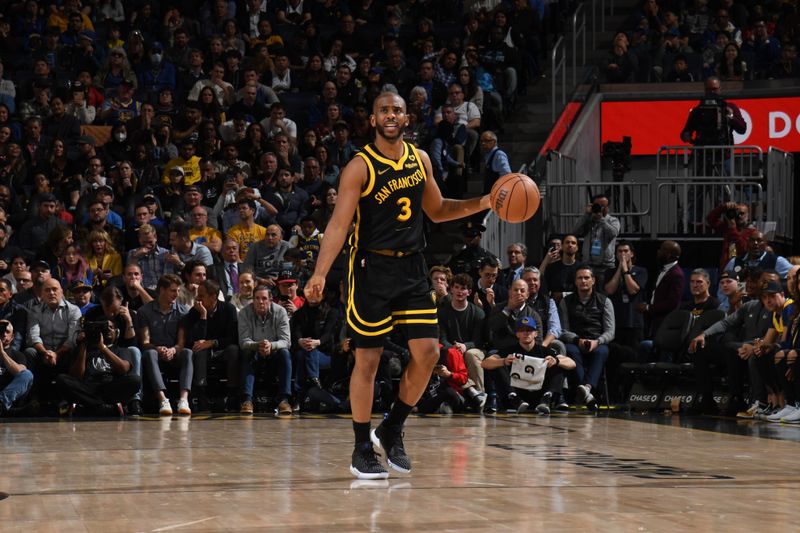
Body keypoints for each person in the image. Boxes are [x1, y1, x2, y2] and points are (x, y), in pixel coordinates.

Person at [304, 92, 494, 480]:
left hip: (412, 269)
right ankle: (360, 448)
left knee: (427, 355)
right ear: (373, 119)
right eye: (384, 111)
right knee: (368, 360)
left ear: (407, 118)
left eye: (397, 111)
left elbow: (439, 210)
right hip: (371, 269)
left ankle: (391, 428)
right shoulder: (360, 166)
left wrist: (486, 200)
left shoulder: (420, 159)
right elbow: (339, 224)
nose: (391, 116)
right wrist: (320, 272)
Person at [483, 316, 577, 415]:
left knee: (559, 364)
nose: (526, 333)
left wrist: (556, 361)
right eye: (522, 330)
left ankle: (547, 398)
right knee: (497, 364)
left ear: (535, 334)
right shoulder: (509, 350)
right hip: (516, 396)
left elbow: (572, 363)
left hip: (538, 395)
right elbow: (485, 363)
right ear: (517, 334)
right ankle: (513, 397)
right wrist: (503, 361)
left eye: (529, 330)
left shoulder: (544, 351)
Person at [55, 318, 140, 416]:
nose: (108, 330)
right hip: (87, 387)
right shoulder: (84, 349)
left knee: (135, 380)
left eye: (111, 327)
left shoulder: (121, 350)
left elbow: (123, 369)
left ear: (117, 333)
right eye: (104, 328)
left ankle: (90, 406)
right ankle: (103, 408)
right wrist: (83, 345)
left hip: (109, 388)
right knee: (62, 379)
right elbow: (77, 376)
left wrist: (102, 347)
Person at [559, 266, 616, 409]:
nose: (583, 281)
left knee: (602, 351)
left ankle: (586, 388)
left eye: (586, 278)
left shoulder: (605, 301)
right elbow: (562, 330)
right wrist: (578, 340)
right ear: (575, 281)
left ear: (593, 280)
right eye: (580, 278)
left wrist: (597, 341)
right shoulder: (565, 302)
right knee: (571, 351)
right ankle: (589, 394)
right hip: (575, 341)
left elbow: (610, 331)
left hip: (597, 341)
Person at [137, 274, 193, 416]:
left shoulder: (183, 311)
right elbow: (145, 342)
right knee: (150, 353)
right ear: (162, 290)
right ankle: (162, 399)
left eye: (178, 291)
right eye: (173, 291)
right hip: (155, 353)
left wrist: (173, 350)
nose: (176, 294)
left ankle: (184, 399)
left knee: (188, 352)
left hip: (174, 353)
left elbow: (181, 343)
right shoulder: (145, 312)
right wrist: (158, 348)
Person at [186, 279, 240, 412]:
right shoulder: (195, 311)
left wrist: (212, 343)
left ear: (213, 297)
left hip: (223, 351)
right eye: (198, 295)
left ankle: (231, 395)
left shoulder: (229, 309)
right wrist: (203, 316)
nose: (198, 298)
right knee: (199, 349)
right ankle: (201, 394)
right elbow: (195, 340)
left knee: (234, 350)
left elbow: (233, 338)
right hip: (204, 353)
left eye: (201, 295)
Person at [239, 284, 292, 415]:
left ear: (270, 300)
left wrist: (271, 345)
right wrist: (258, 345)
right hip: (255, 351)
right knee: (246, 353)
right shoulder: (244, 313)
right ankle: (247, 401)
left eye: (264, 298)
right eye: (256, 298)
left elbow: (286, 341)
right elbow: (244, 341)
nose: (260, 302)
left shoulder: (280, 312)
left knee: (285, 353)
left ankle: (284, 400)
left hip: (274, 353)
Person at [437, 273, 487, 410]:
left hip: (472, 348)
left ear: (469, 292)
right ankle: (470, 394)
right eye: (457, 287)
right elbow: (442, 338)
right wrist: (455, 348)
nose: (460, 291)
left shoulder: (478, 313)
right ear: (451, 289)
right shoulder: (442, 313)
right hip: (450, 350)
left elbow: (479, 341)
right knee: (451, 354)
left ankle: (479, 394)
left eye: (463, 288)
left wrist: (465, 346)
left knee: (471, 354)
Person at [571, 193, 620, 287]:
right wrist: (586, 215)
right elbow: (575, 231)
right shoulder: (588, 220)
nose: (600, 208)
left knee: (604, 294)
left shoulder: (613, 220)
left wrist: (601, 219)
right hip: (588, 266)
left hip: (606, 267)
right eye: (597, 205)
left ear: (607, 208)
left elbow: (613, 233)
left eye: (602, 206)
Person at [0, 320, 33, 415]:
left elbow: (21, 372)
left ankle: (2, 404)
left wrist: (2, 353)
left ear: (12, 337)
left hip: (10, 394)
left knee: (27, 374)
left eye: (7, 332)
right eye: (1, 330)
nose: (4, 334)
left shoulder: (18, 355)